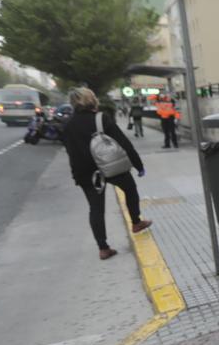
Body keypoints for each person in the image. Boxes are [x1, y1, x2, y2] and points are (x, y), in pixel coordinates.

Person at [62, 87, 152, 260]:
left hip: (85, 173)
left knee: (96, 208)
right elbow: (123, 143)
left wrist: (77, 174)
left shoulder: (68, 124)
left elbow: (70, 151)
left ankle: (103, 248)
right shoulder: (101, 118)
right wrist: (138, 164)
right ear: (91, 100)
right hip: (110, 167)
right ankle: (136, 222)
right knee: (130, 188)